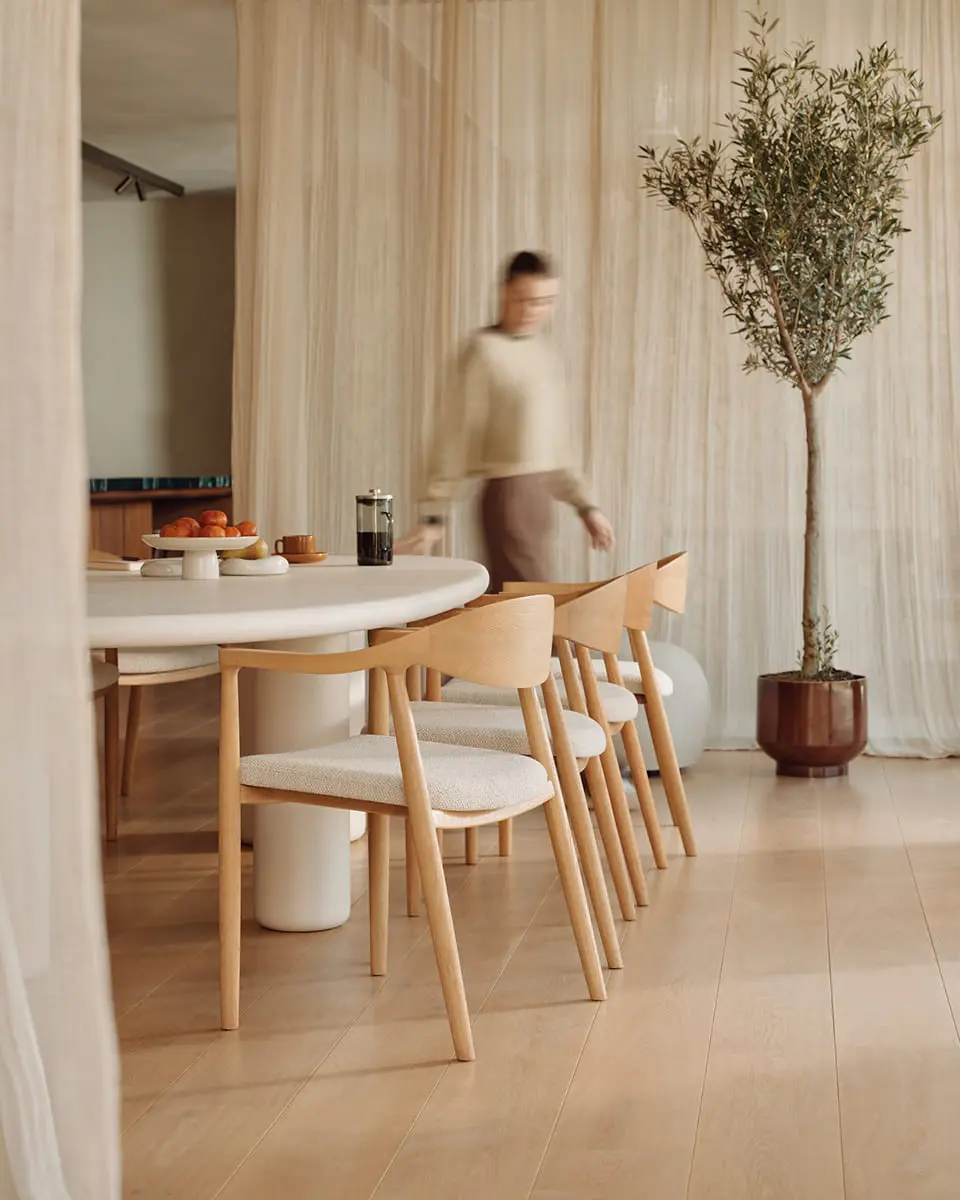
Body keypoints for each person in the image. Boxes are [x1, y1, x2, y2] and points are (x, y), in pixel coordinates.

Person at [398, 250, 614, 591]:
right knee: (531, 606)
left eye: (545, 301)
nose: (533, 310)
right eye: (523, 299)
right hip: (508, 497)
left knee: (520, 606)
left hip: (540, 501)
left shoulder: (544, 353)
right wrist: (433, 514)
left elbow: (557, 444)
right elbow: (455, 435)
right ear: (504, 293)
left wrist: (586, 506)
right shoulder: (482, 352)